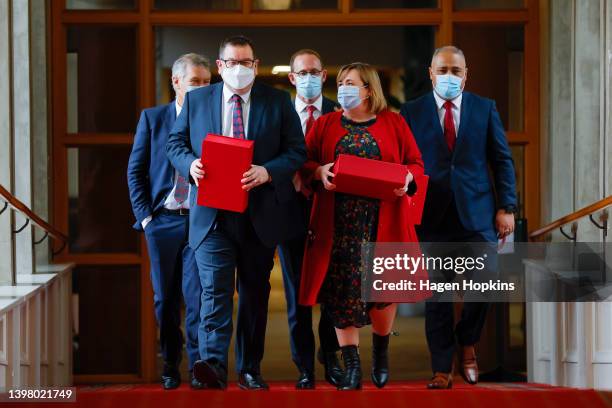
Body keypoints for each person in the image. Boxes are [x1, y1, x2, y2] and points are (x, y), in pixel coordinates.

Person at [166, 35, 306, 391]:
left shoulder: (278, 102)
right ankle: (212, 365)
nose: (239, 69)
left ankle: (248, 369)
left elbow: (296, 152)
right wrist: (190, 164)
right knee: (214, 292)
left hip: (259, 216)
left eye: (247, 63)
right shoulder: (197, 101)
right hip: (212, 214)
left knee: (255, 295)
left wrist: (268, 171)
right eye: (232, 63)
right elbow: (175, 145)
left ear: (256, 66)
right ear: (220, 66)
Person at [298, 62, 427, 390]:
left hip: (383, 220)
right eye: (341, 82)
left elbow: (415, 163)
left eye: (351, 82)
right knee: (342, 293)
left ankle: (381, 353)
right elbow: (305, 162)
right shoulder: (326, 124)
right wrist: (318, 172)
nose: (343, 88)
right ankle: (352, 365)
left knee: (384, 290)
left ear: (369, 89)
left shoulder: (393, 123)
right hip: (338, 223)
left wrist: (408, 178)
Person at [400, 45, 517, 389]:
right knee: (438, 297)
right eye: (443, 70)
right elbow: (403, 161)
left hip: (478, 213)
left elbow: (502, 160)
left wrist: (506, 207)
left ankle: (467, 341)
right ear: (431, 73)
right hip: (432, 215)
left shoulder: (485, 108)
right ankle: (441, 368)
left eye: (456, 70)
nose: (449, 76)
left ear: (466, 74)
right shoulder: (412, 111)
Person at [127, 53, 211, 390]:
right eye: (195, 82)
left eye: (207, 83)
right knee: (165, 299)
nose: (202, 89)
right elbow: (135, 172)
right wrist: (146, 218)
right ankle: (170, 363)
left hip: (199, 220)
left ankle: (196, 367)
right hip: (161, 221)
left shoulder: (212, 119)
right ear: (176, 83)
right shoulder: (153, 118)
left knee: (196, 297)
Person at [278, 48, 343, 389]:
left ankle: (330, 358)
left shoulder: (339, 112)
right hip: (290, 214)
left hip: (330, 214)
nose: (307, 78)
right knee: (297, 296)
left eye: (313, 71)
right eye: (301, 73)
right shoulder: (278, 113)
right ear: (292, 78)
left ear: (323, 75)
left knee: (330, 294)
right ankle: (305, 367)